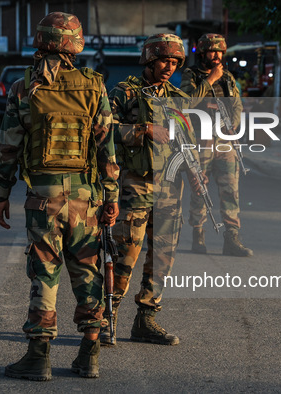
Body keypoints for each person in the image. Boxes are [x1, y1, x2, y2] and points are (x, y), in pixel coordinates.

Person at [0, 12, 119, 380]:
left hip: (43, 198)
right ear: (75, 45)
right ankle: (89, 354)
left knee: (44, 273)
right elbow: (107, 150)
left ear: (40, 41)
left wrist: (2, 192)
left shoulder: (22, 88)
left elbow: (8, 147)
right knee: (87, 271)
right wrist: (110, 197)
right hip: (85, 197)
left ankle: (38, 356)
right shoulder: (94, 87)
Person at [100, 33, 208, 347]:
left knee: (162, 258)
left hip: (170, 188)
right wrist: (144, 129)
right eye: (164, 60)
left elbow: (188, 140)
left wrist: (196, 172)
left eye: (175, 62)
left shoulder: (177, 97)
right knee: (125, 256)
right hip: (135, 185)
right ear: (149, 59)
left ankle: (146, 319)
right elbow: (102, 130)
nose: (169, 67)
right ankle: (108, 318)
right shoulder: (125, 92)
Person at [180, 33, 253, 257]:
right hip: (201, 139)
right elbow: (186, 102)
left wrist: (234, 125)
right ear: (202, 52)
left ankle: (231, 238)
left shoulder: (229, 78)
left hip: (225, 141)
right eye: (212, 51)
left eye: (220, 51)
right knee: (200, 189)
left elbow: (238, 105)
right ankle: (198, 233)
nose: (216, 55)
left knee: (231, 190)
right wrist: (210, 79)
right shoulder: (191, 75)